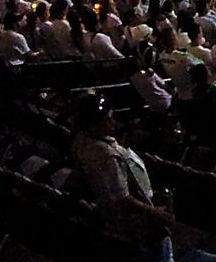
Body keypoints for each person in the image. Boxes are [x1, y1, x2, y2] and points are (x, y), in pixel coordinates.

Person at [73, 99, 173, 262]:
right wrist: (154, 212)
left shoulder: (81, 140)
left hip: (112, 216)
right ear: (92, 125)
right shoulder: (108, 157)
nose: (113, 123)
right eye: (107, 120)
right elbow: (122, 198)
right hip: (136, 221)